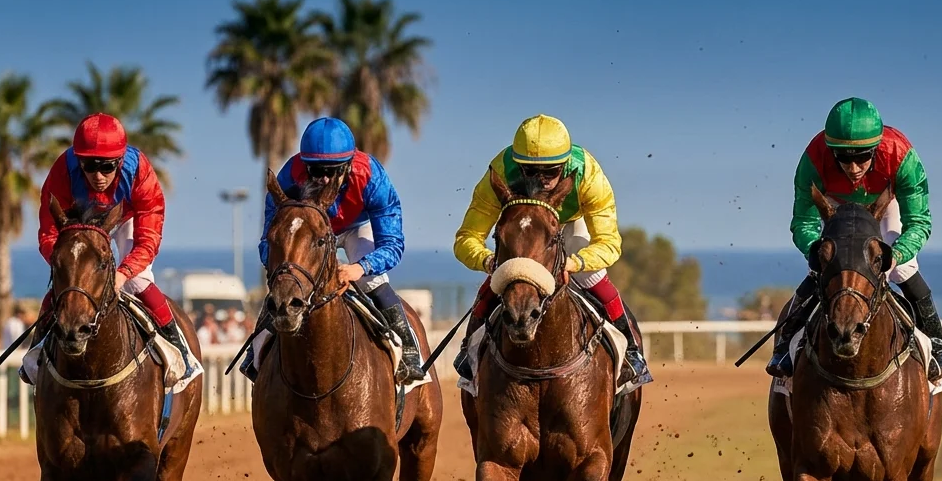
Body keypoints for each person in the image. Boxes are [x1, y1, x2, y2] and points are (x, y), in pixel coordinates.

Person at [451, 114, 651, 388]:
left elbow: (609, 242)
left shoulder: (588, 174)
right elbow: (467, 237)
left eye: (551, 171)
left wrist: (574, 263)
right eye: (530, 172)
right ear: (517, 165)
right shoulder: (498, 171)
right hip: (524, 227)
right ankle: (469, 354)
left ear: (566, 164)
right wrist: (489, 261)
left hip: (571, 223)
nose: (542, 180)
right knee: (503, 276)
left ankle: (631, 353)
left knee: (594, 276)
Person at [765, 97, 942, 382]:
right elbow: (803, 222)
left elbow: (919, 222)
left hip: (885, 203)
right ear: (831, 150)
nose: (853, 168)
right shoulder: (813, 160)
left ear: (877, 148)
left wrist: (897, 253)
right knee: (824, 266)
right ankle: (784, 346)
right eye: (842, 157)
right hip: (835, 205)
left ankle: (938, 349)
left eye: (862, 156)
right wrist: (816, 251)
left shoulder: (901, 156)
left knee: (903, 269)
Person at [243, 117, 423, 383]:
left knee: (371, 279)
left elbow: (392, 244)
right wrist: (285, 268)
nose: (324, 178)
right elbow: (270, 240)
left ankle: (408, 351)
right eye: (316, 171)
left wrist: (357, 268)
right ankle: (256, 351)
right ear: (305, 165)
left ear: (349, 165)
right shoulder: (289, 177)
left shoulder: (372, 177)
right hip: (309, 229)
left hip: (357, 227)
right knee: (286, 282)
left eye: (332, 169)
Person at [32, 112, 201, 385]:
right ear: (78, 159)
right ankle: (36, 351)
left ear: (120, 161)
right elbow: (48, 232)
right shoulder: (63, 170)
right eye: (88, 165)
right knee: (69, 282)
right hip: (79, 224)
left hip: (125, 218)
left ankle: (178, 346)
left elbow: (148, 238)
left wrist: (122, 274)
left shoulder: (139, 171)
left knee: (138, 280)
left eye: (107, 167)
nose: (98, 176)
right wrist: (67, 264)